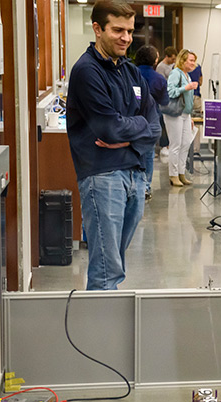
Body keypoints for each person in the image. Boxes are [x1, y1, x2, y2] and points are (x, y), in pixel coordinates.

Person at [65, 0, 160, 290]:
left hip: (135, 174)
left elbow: (154, 125)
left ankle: (106, 329)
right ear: (97, 28)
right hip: (102, 176)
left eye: (130, 31)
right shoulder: (87, 71)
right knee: (107, 271)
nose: (126, 38)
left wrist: (128, 132)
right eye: (118, 30)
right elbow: (108, 127)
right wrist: (136, 127)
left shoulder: (130, 72)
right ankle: (100, 333)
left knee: (114, 264)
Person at [134, 44, 169, 201]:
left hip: (130, 120)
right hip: (150, 120)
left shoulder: (129, 74)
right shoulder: (159, 79)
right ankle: (145, 186)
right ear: (155, 61)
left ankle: (132, 185)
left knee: (132, 153)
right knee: (148, 154)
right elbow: (165, 101)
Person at [162, 49, 199, 187]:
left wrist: (189, 116)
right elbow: (170, 92)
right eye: (191, 60)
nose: (193, 63)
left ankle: (181, 173)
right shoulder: (175, 73)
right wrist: (186, 87)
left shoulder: (186, 75)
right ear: (182, 60)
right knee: (175, 145)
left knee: (185, 145)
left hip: (185, 114)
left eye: (194, 60)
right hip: (175, 114)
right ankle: (173, 175)